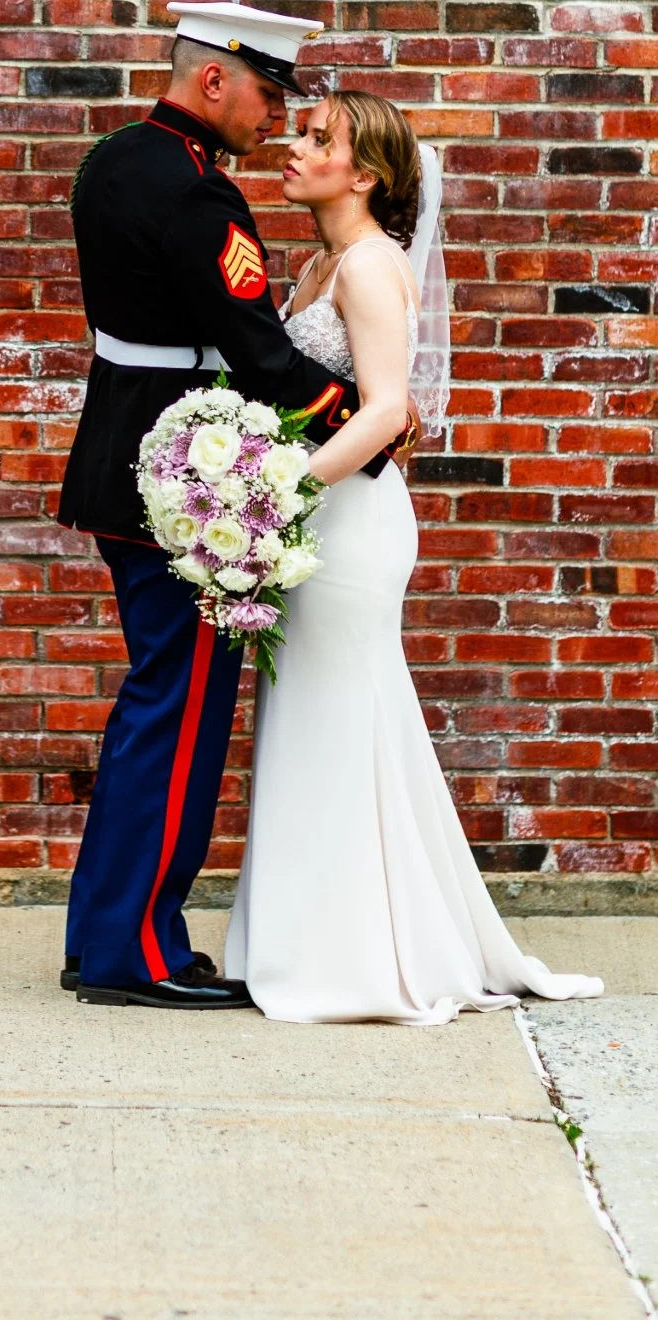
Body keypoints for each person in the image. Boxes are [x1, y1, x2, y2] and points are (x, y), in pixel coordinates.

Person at [57, 2, 415, 1010]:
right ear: (214, 81)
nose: (273, 119)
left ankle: (105, 932)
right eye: (267, 95)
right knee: (176, 717)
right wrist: (367, 416)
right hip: (180, 483)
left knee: (152, 702)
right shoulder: (196, 195)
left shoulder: (114, 157)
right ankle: (137, 953)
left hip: (124, 460)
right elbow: (258, 353)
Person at [223, 91, 603, 1022]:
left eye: (319, 141)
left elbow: (388, 410)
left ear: (366, 176)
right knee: (310, 717)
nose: (293, 147)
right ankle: (306, 934)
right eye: (298, 133)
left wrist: (283, 493)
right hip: (320, 518)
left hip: (351, 526)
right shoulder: (317, 263)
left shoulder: (366, 265)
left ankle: (359, 955)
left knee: (339, 715)